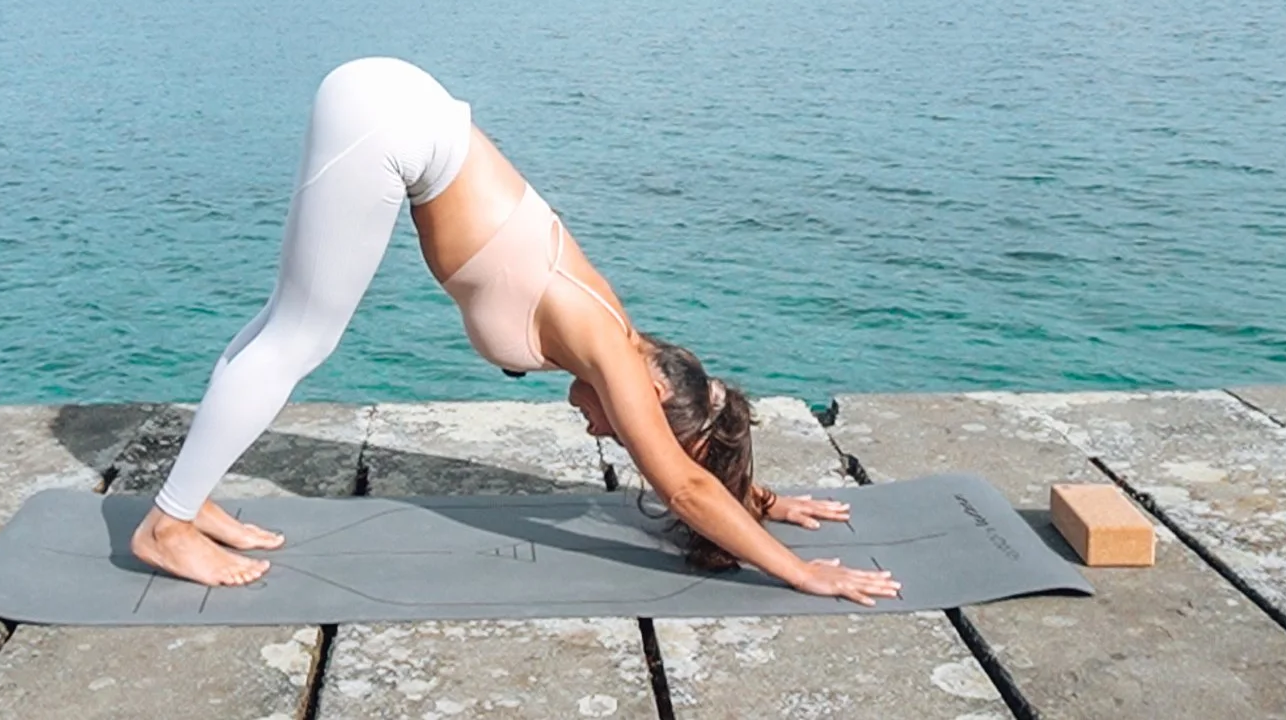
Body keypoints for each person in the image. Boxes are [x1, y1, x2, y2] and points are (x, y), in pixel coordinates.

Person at [129, 57, 902, 606]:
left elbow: (684, 463)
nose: (603, 431)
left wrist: (756, 494)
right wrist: (806, 575)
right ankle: (165, 526)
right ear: (653, 388)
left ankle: (190, 502)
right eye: (622, 428)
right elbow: (682, 482)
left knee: (284, 324)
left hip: (394, 105)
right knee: (300, 337)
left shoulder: (621, 344)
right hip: (390, 122)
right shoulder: (612, 351)